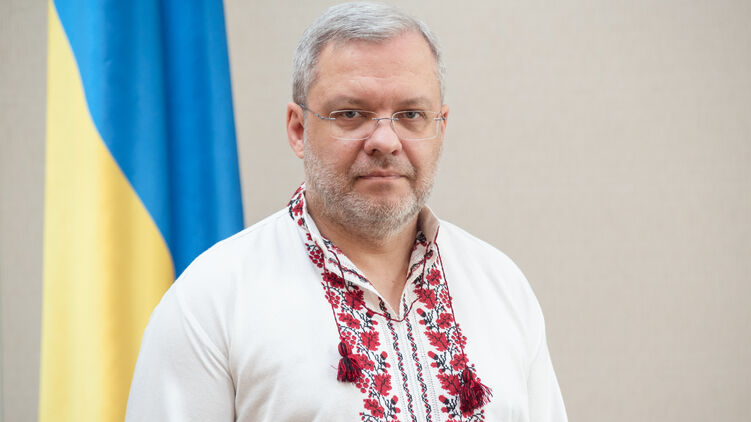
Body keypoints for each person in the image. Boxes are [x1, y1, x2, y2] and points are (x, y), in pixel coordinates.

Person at [126, 3, 567, 421]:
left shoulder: (502, 288)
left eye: (411, 114)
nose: (385, 141)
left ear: (440, 127)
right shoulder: (212, 301)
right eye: (352, 113)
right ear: (298, 129)